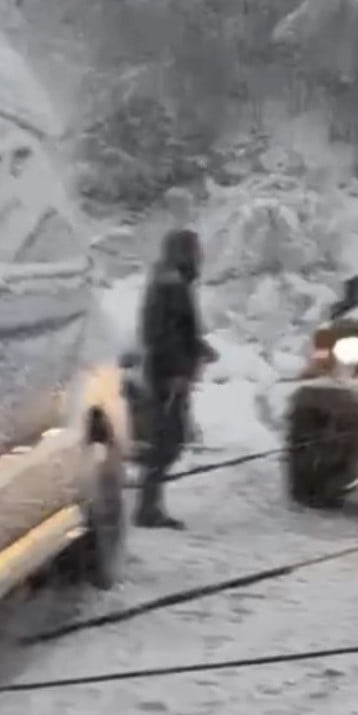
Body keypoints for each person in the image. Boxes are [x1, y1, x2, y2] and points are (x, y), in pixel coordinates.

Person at [136, 227, 214, 529]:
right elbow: (160, 333)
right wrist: (177, 372)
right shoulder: (170, 284)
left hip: (169, 371)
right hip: (167, 374)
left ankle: (150, 504)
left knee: (169, 438)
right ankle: (148, 508)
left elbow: (179, 328)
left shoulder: (174, 282)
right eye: (193, 248)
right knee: (166, 440)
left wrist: (199, 348)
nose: (199, 254)